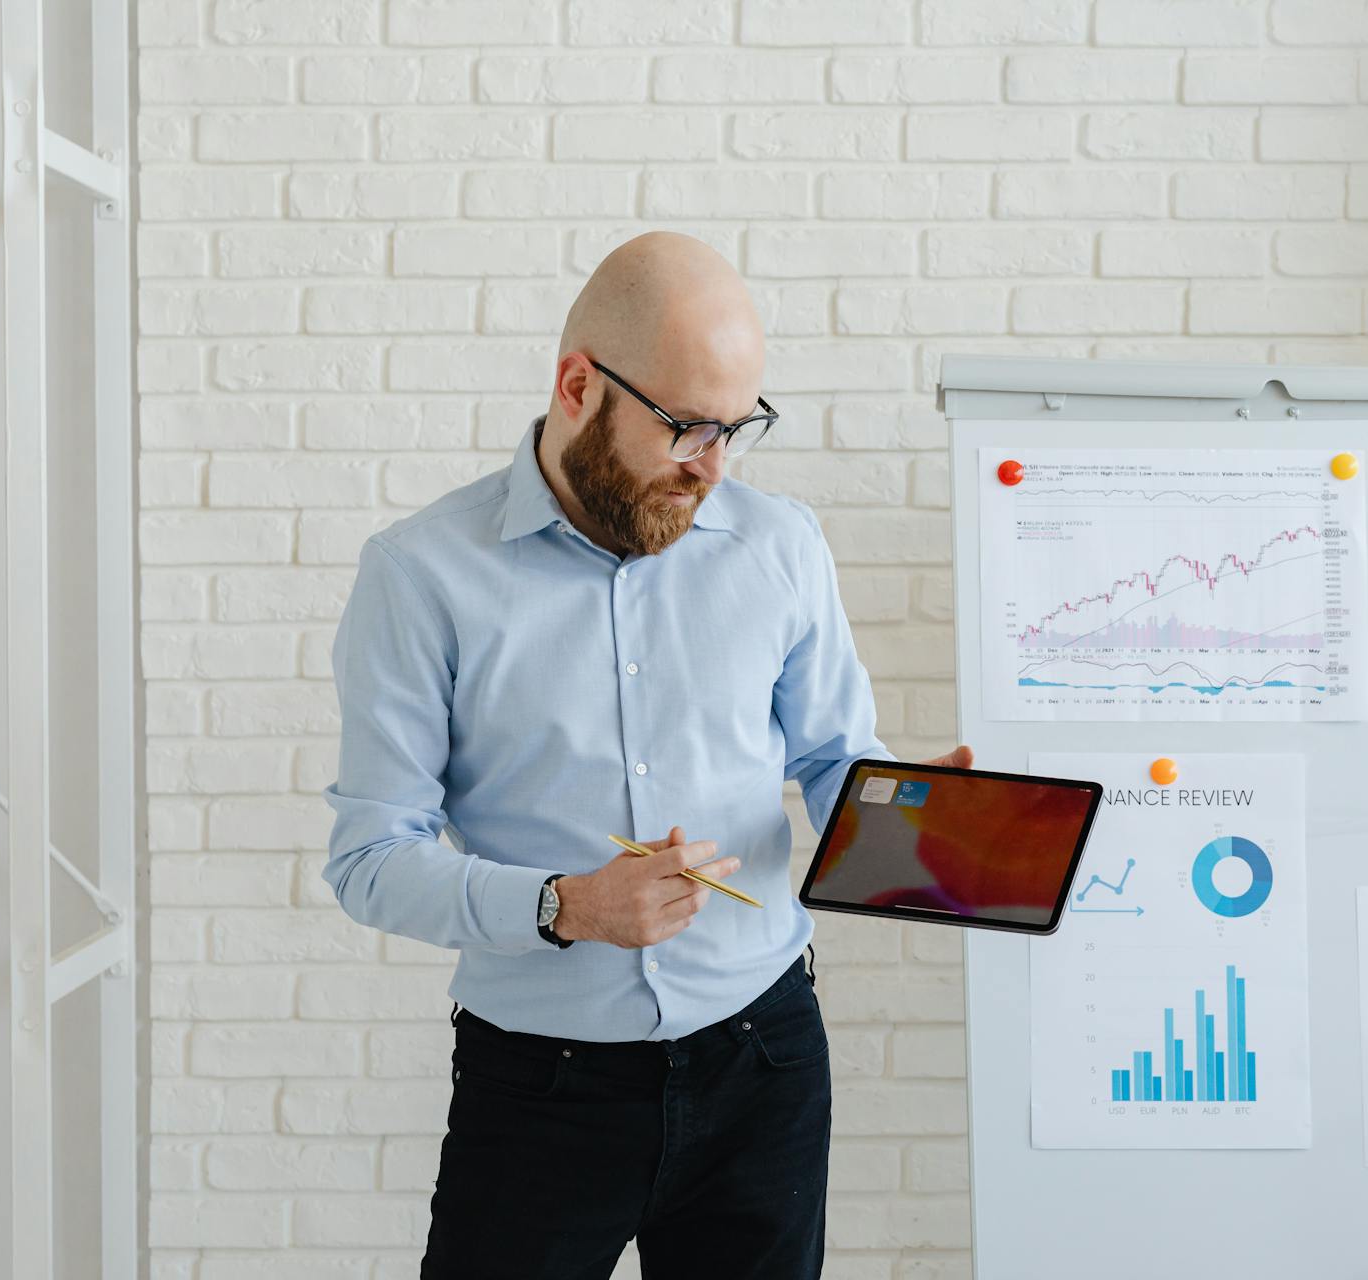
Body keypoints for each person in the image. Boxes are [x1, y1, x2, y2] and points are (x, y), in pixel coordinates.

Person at [321, 229, 973, 1279]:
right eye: (684, 427)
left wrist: (930, 816)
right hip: (540, 1092)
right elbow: (370, 857)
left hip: (764, 1060)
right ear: (578, 385)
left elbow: (836, 760)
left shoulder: (781, 544)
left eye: (738, 427)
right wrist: (565, 905)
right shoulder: (420, 576)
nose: (714, 465)